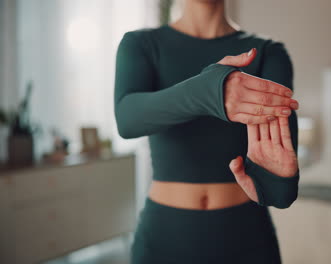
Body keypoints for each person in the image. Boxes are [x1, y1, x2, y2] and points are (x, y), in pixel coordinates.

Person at [114, 0, 300, 263]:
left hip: (248, 242)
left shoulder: (268, 52)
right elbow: (127, 118)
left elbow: (280, 180)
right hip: (164, 241)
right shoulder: (140, 44)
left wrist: (279, 183)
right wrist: (206, 92)